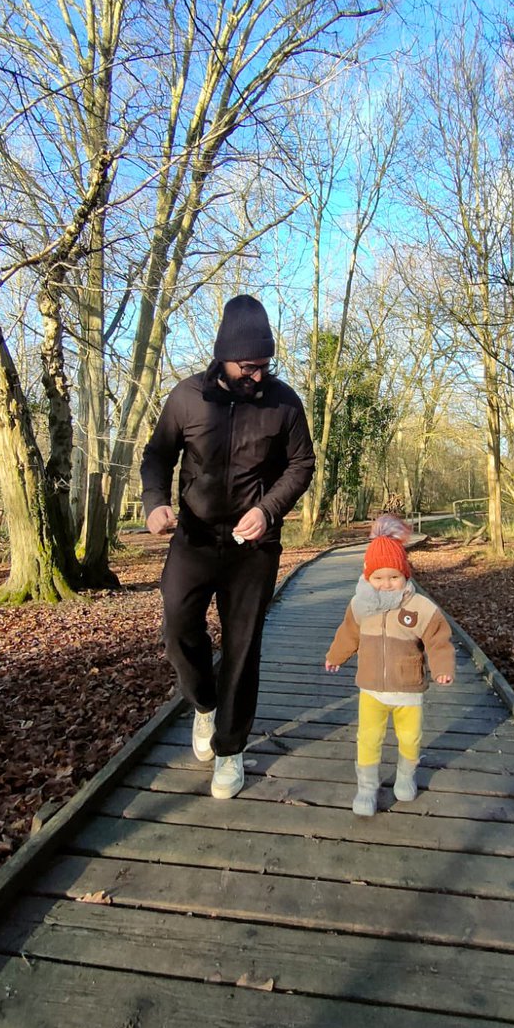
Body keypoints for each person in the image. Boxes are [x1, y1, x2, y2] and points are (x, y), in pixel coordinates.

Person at [141, 295, 315, 800]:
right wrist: (155, 503)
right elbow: (157, 456)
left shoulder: (284, 403)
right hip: (193, 538)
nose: (258, 375)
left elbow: (301, 465)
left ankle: (231, 749)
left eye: (265, 365)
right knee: (177, 627)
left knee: (242, 647)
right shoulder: (187, 398)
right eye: (249, 366)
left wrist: (268, 509)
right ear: (224, 356)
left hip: (252, 548)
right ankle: (202, 704)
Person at [324, 515, 455, 816]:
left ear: (405, 575)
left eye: (394, 577)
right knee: (368, 740)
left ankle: (406, 774)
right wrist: (336, 655)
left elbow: (438, 640)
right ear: (368, 577)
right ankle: (367, 789)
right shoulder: (360, 606)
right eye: (379, 578)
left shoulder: (420, 608)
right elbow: (348, 633)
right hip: (371, 689)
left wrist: (442, 668)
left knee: (410, 738)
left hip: (408, 691)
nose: (386, 584)